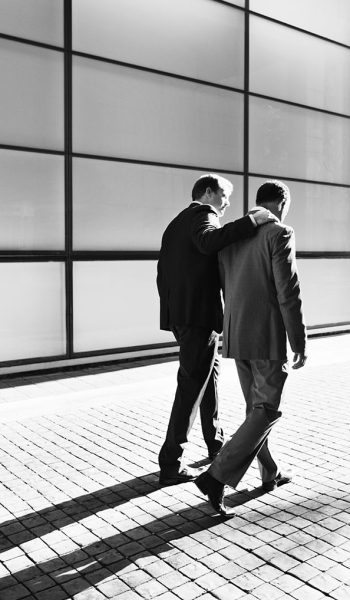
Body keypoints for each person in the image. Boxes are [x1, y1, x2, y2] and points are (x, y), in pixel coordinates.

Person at [195, 180, 307, 515]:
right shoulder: (279, 233)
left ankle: (268, 471)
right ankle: (216, 477)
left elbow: (227, 286)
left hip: (237, 334)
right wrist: (298, 339)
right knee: (267, 410)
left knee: (254, 411)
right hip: (267, 337)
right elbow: (287, 291)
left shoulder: (233, 235)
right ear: (282, 204)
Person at [157, 173, 275, 486]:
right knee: (191, 388)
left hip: (183, 318)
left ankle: (216, 444)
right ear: (209, 193)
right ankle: (170, 463)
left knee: (207, 381)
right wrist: (251, 221)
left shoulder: (177, 222)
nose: (227, 203)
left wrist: (174, 314)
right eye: (225, 196)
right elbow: (209, 242)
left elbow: (163, 273)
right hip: (199, 319)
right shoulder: (203, 215)